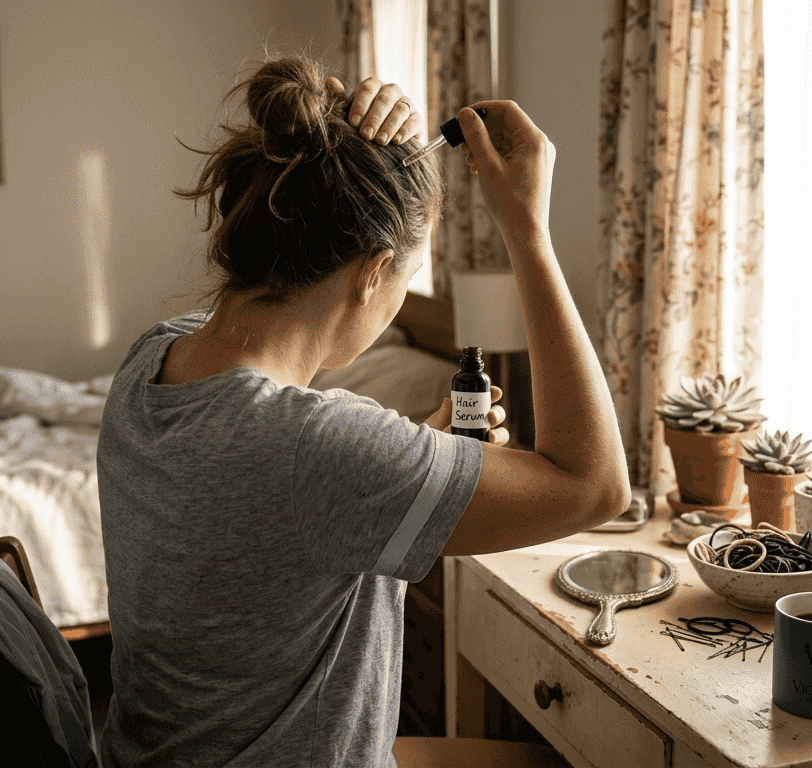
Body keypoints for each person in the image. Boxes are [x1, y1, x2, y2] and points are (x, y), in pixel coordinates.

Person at [96, 55, 628, 767]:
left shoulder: (149, 360)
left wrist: (419, 452)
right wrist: (527, 229)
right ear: (373, 271)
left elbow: (279, 502)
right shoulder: (320, 449)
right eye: (407, 279)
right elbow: (596, 487)